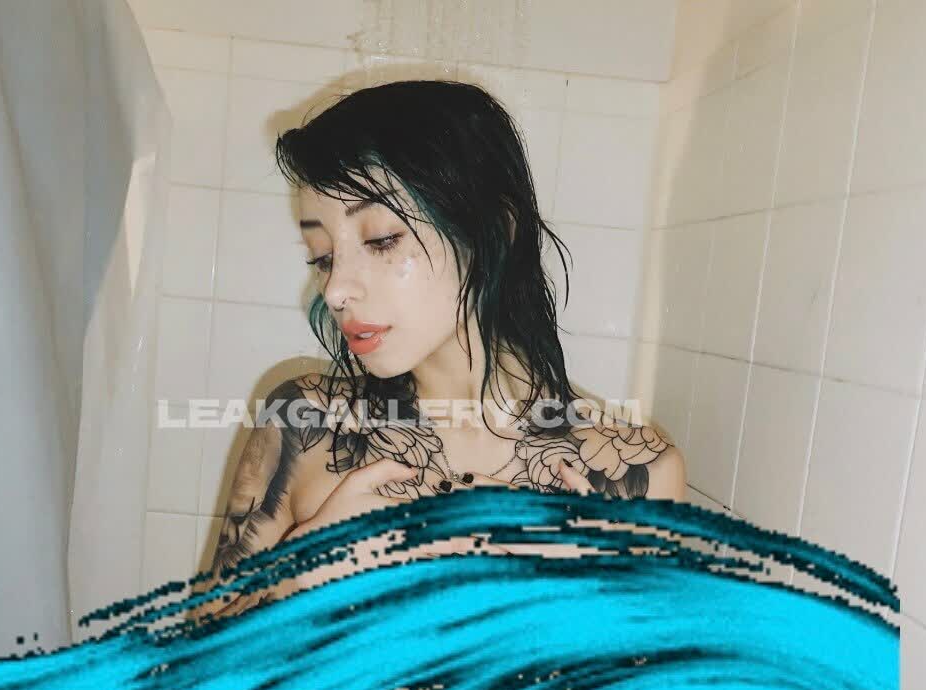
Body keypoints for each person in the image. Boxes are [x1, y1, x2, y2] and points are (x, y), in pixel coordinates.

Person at [206, 79, 686, 592]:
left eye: (381, 240)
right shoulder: (303, 423)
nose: (337, 289)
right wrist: (305, 572)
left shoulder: (640, 471)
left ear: (495, 232)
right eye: (322, 257)